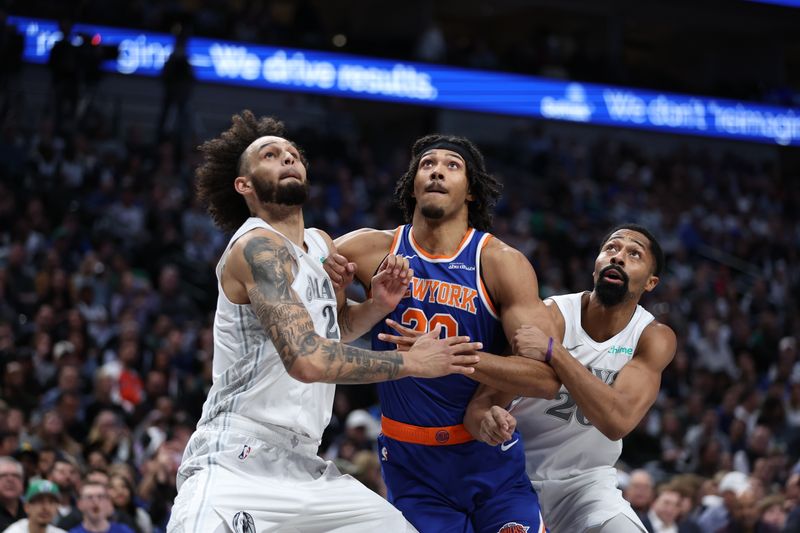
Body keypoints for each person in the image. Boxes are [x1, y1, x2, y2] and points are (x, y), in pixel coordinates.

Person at [167, 111, 482, 532]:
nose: (287, 159)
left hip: (303, 459)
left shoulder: (320, 244)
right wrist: (411, 363)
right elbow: (307, 360)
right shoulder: (257, 246)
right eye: (271, 155)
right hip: (236, 458)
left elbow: (330, 330)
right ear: (244, 185)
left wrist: (375, 306)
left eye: (293, 155)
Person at [325, 134, 558, 532]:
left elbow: (545, 379)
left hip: (488, 458)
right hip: (412, 465)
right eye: (427, 164)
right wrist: (336, 285)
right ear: (412, 184)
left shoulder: (501, 263)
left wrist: (456, 360)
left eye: (452, 165)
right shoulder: (366, 249)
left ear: (471, 191)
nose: (436, 170)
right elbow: (322, 330)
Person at [465, 223, 677, 532]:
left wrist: (556, 353)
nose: (617, 257)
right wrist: (487, 421)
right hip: (513, 479)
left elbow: (617, 421)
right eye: (611, 249)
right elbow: (477, 408)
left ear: (650, 282)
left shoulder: (653, 337)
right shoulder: (549, 316)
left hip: (587, 485)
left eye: (634, 254)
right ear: (595, 268)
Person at [68, 482, 133, 533]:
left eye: (100, 496)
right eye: (89, 497)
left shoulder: (124, 531)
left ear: (108, 502)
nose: (95, 501)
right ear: (79, 504)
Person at [0, 457, 25, 530]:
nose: (10, 479)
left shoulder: (31, 511)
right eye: (3, 475)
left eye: (15, 475)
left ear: (22, 482)